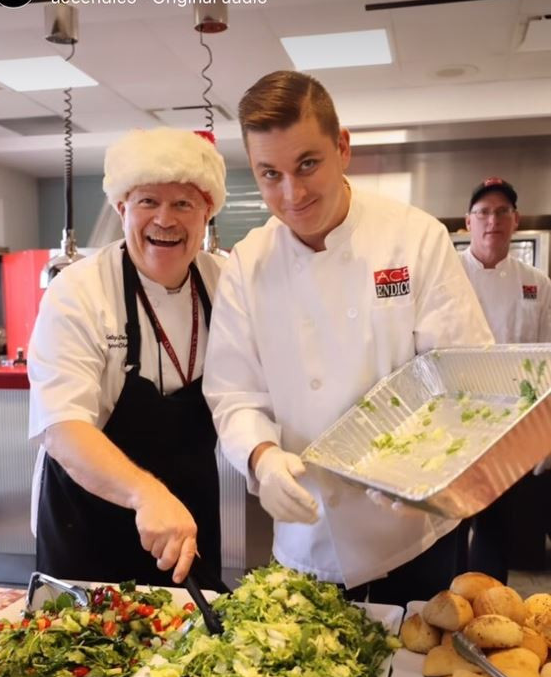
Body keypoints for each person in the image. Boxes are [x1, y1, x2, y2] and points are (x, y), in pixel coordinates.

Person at [203, 70, 494, 607]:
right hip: (305, 540)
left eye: (307, 164)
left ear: (342, 148)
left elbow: (465, 377)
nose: (292, 193)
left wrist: (424, 473)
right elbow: (234, 394)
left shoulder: (413, 238)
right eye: (270, 174)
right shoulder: (247, 264)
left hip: (414, 533)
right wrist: (262, 457)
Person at [28, 127, 226, 587]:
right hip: (86, 522)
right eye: (148, 202)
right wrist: (144, 493)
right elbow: (63, 427)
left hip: (188, 521)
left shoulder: (227, 283)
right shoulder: (78, 291)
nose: (165, 219)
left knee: (198, 653)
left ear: (207, 212)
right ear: (122, 209)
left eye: (183, 204)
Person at [459, 177, 551, 582]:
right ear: (468, 222)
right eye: (483, 213)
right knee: (448, 530)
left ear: (515, 221)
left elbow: (547, 358)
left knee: (495, 528)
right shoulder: (448, 274)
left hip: (511, 428)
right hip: (455, 425)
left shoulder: (537, 283)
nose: (492, 220)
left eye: (501, 212)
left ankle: (484, 609)